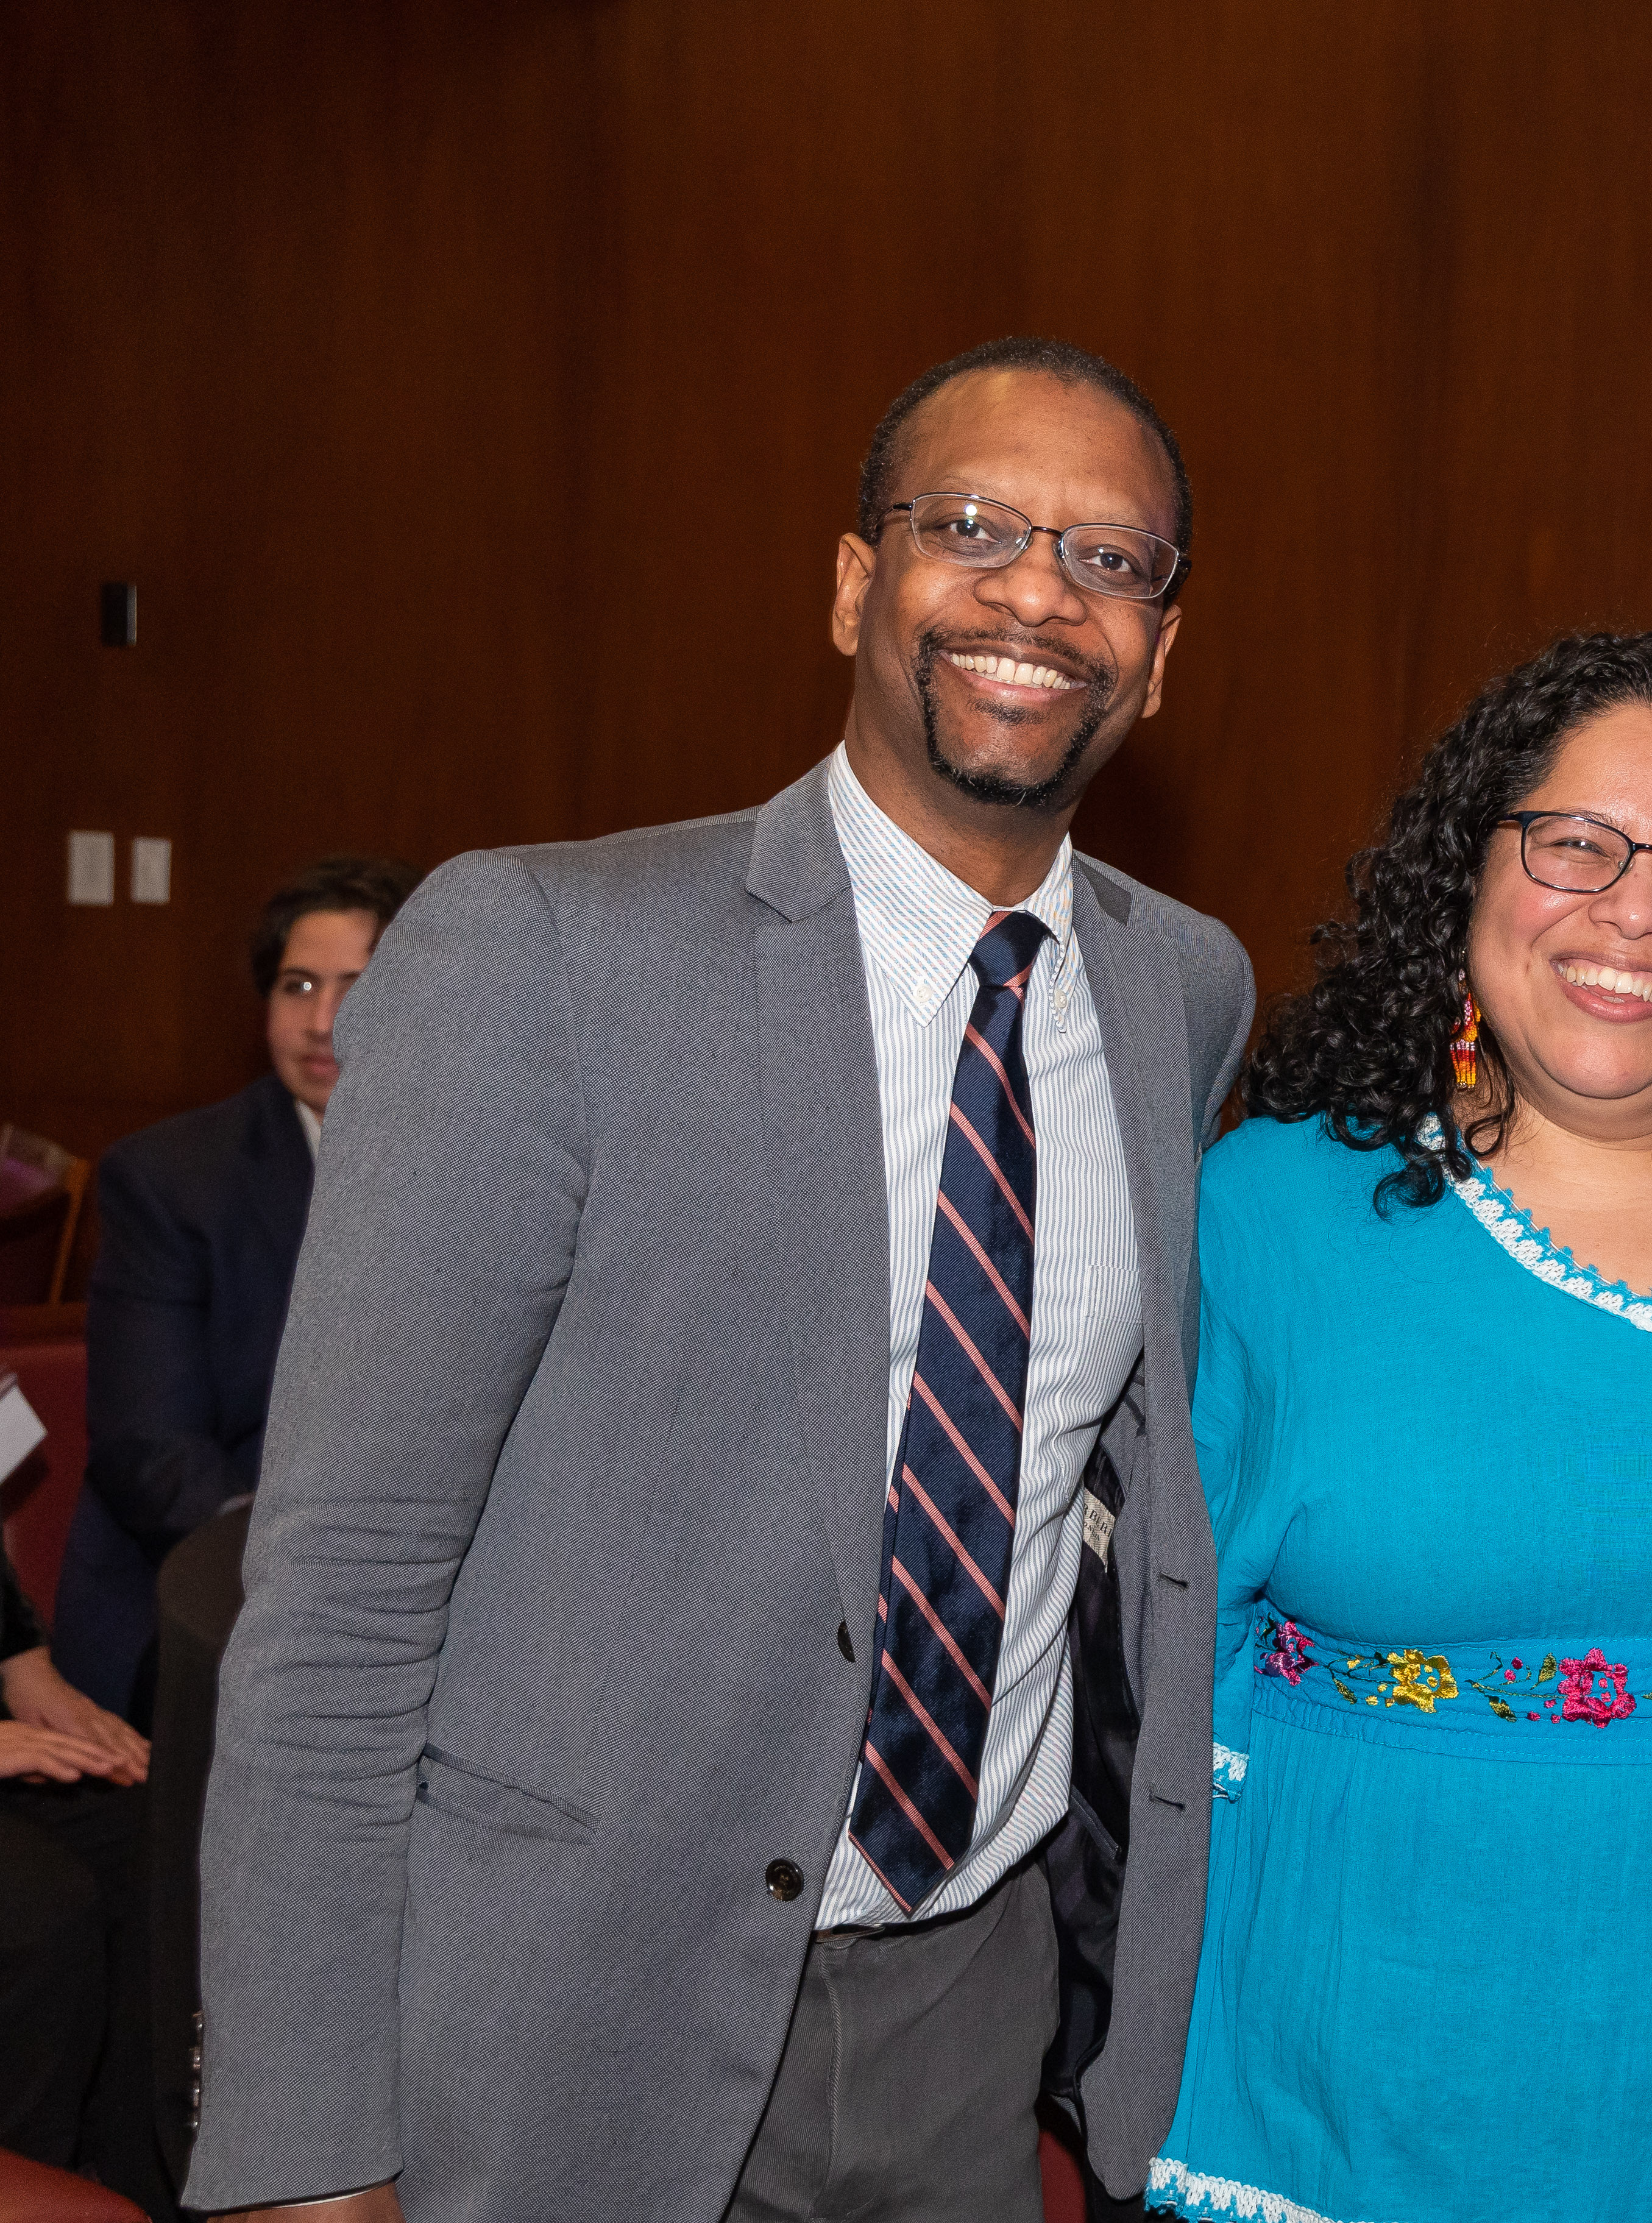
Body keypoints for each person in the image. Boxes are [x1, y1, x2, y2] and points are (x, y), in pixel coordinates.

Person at [185, 336, 1253, 2223]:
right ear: (856, 582)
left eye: (1110, 559)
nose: (1036, 592)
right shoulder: (544, 956)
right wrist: (303, 2140)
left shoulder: (1185, 994)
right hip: (571, 2008)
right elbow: (343, 1591)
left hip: (966, 2006)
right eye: (975, 526)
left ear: (1162, 651)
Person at [1148, 631, 1652, 2223]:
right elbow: (1152, 1667)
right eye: (1576, 845)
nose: (1634, 914)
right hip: (1356, 2100)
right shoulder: (1265, 1214)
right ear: (1470, 874)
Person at [55, 852, 418, 1725]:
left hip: (415, 1588)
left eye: (355, 986)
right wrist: (319, 1583)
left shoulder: (492, 1175)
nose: (322, 1021)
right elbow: (153, 1454)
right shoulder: (173, 1179)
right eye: (297, 986)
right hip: (208, 1583)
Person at [0, 1347, 168, 2209]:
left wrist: (27, 1665)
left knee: (152, 1836)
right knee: (30, 1915)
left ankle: (136, 2183)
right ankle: (10, 2195)